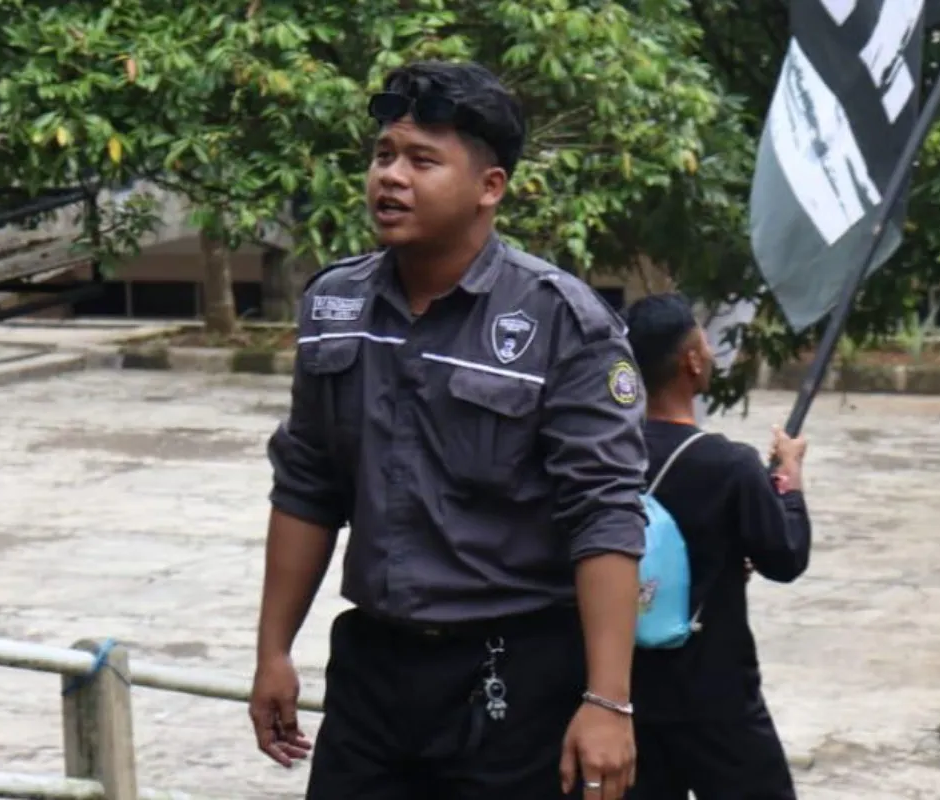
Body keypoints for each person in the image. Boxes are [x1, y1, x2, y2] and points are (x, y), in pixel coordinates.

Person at [249, 60, 649, 800]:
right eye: (383, 155)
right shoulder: (335, 304)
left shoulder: (562, 323)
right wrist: (273, 650)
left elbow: (604, 514)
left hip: (512, 678)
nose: (391, 177)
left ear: (489, 187)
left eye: (422, 161)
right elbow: (307, 483)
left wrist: (608, 701)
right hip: (373, 670)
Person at [623, 292, 812, 800]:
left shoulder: (603, 455)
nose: (709, 354)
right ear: (690, 361)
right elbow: (785, 557)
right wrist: (789, 480)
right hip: (716, 695)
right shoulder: (730, 465)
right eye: (703, 345)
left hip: (626, 694)